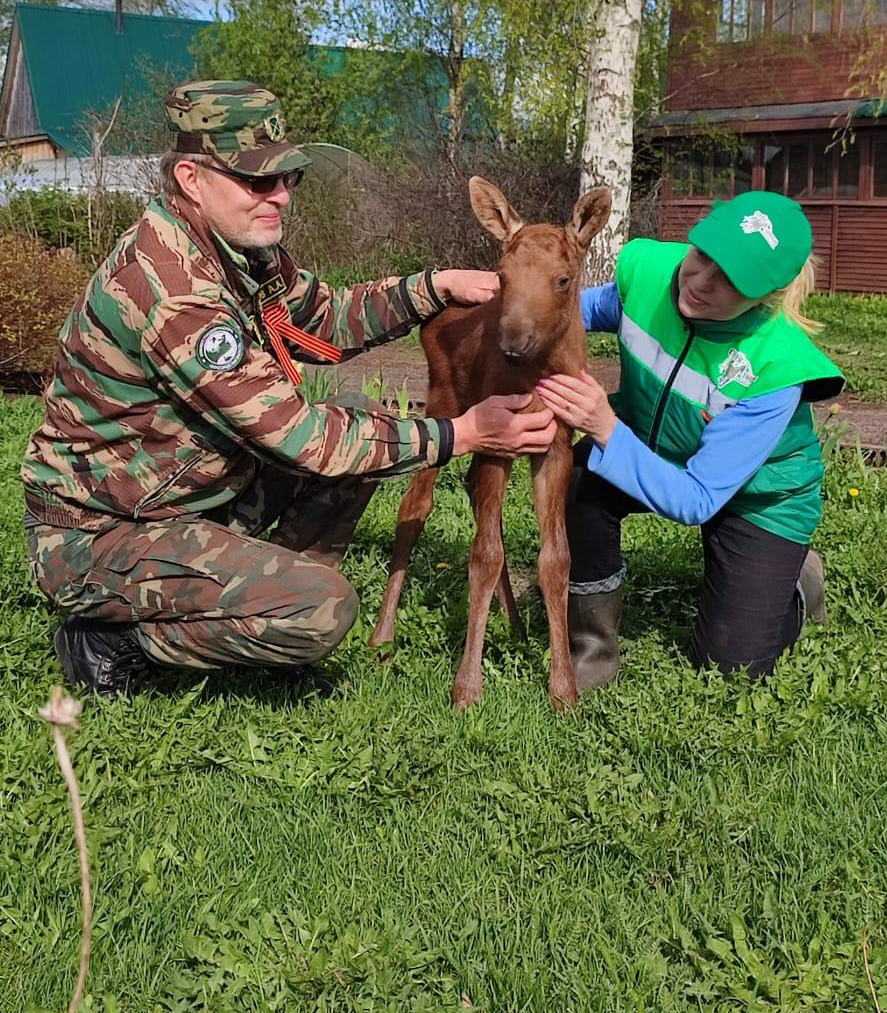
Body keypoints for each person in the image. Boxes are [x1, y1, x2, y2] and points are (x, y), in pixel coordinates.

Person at [22, 80, 556, 697]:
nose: (280, 197)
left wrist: (432, 287)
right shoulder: (172, 289)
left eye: (287, 179)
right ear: (193, 178)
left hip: (190, 491)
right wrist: (461, 433)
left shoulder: (237, 249)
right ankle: (111, 641)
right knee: (322, 608)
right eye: (257, 182)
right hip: (102, 532)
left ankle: (265, 602)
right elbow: (300, 438)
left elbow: (326, 317)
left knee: (358, 415)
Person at [537, 190, 844, 689]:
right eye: (702, 256)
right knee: (577, 476)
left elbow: (698, 497)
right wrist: (501, 293)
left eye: (730, 281)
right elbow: (570, 310)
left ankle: (798, 582)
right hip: (657, 448)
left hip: (757, 500)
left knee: (730, 667)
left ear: (766, 295)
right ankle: (591, 647)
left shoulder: (776, 366)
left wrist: (605, 427)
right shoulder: (652, 273)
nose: (699, 282)